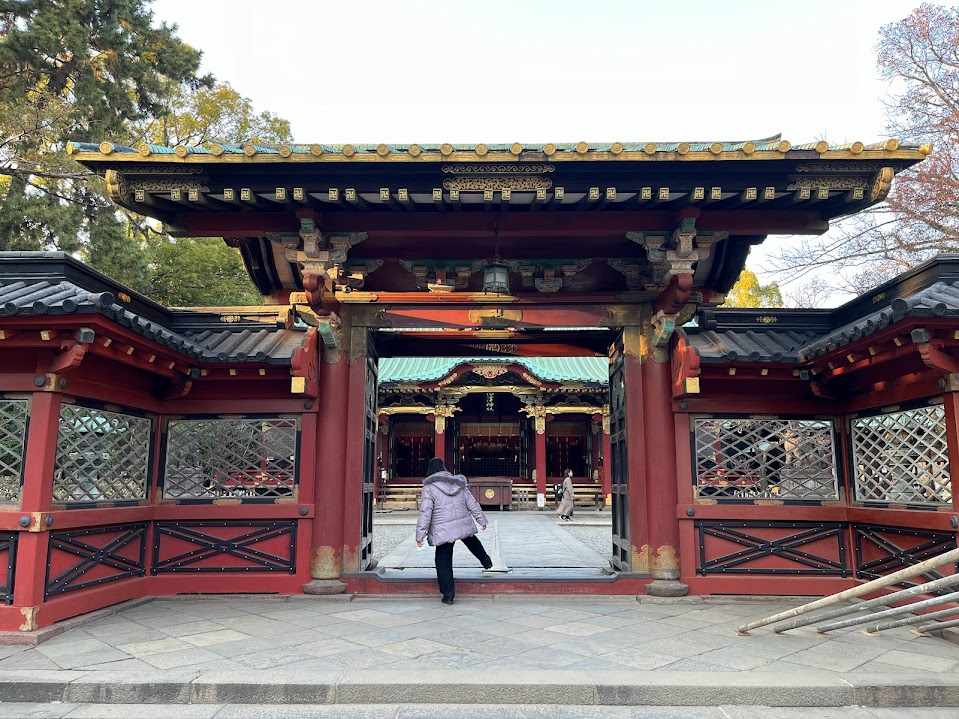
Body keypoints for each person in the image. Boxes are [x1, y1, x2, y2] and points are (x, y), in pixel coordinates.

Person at [415, 457, 493, 605]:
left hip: (443, 528)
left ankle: (448, 595)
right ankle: (487, 562)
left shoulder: (429, 488)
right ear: (444, 469)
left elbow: (425, 512)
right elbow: (472, 503)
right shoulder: (459, 484)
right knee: (471, 540)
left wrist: (420, 536)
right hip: (462, 522)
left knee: (443, 560)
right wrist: (482, 520)